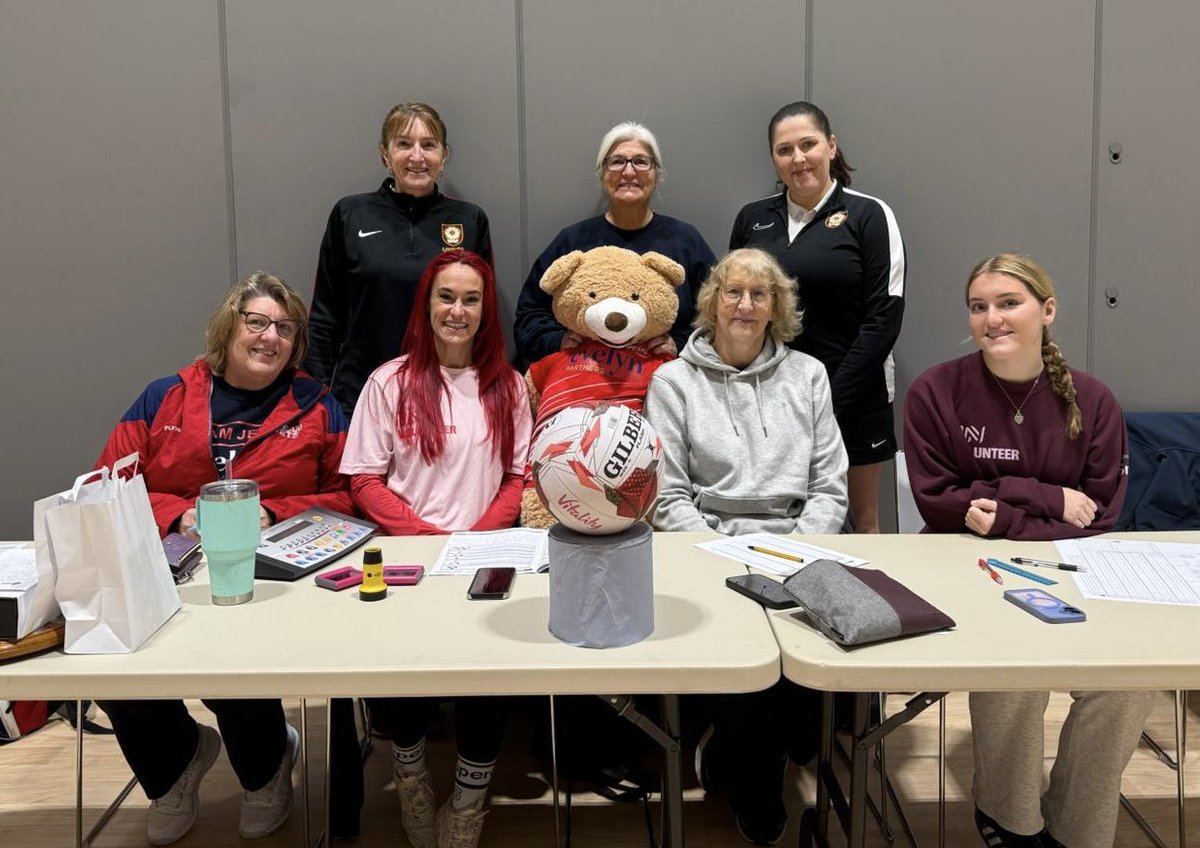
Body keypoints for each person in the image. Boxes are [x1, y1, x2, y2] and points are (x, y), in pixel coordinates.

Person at [903, 254, 1153, 848]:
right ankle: (1010, 820)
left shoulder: (1093, 401)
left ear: (1047, 310)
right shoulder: (935, 391)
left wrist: (1000, 513)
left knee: (1130, 682)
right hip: (969, 566)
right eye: (978, 306)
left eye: (1008, 303)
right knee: (1014, 672)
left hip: (1072, 568)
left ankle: (1078, 828)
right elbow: (938, 503)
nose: (991, 318)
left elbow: (1098, 517)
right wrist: (1040, 496)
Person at [96, 271, 353, 846]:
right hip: (168, 566)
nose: (270, 337)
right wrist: (178, 512)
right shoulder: (164, 395)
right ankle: (175, 765)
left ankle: (265, 772)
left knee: (237, 661)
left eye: (285, 328)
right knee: (115, 668)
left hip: (273, 573)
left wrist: (275, 511)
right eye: (256, 322)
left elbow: (349, 495)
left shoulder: (317, 404)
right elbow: (109, 485)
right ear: (228, 328)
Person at [645, 248, 848, 845]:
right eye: (733, 291)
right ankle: (757, 798)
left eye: (760, 294)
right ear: (712, 301)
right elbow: (667, 495)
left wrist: (798, 551)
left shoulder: (808, 375)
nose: (745, 304)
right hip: (710, 546)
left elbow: (830, 485)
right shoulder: (673, 382)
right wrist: (725, 554)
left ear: (776, 307)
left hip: (798, 544)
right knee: (748, 671)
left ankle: (756, 749)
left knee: (819, 680)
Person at [340, 250, 531, 848]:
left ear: (484, 311)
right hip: (407, 556)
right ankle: (412, 776)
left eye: (471, 300)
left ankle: (470, 798)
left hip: (482, 555)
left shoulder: (508, 385)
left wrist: (472, 542)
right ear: (426, 306)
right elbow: (365, 479)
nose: (457, 310)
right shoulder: (388, 382)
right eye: (446, 297)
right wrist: (427, 541)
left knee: (488, 678)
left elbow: (518, 478)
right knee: (394, 672)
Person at [730, 101, 905, 533]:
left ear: (830, 146)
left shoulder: (870, 215)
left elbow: (883, 317)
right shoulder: (753, 220)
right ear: (774, 158)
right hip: (771, 401)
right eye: (784, 149)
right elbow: (736, 308)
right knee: (778, 522)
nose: (798, 158)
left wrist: (829, 400)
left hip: (855, 396)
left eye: (808, 144)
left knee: (861, 525)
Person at [304, 102, 492, 418]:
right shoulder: (350, 216)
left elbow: (482, 316)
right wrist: (313, 400)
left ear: (444, 155)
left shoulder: (470, 221)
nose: (417, 156)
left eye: (428, 145)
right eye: (404, 144)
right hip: (360, 398)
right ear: (385, 154)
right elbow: (325, 317)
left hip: (444, 397)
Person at [513, 120, 715, 366]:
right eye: (617, 161)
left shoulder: (686, 241)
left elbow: (715, 315)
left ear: (656, 173)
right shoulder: (572, 241)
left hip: (665, 382)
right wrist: (558, 341)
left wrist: (680, 344)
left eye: (641, 161)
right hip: (584, 382)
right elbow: (529, 315)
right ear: (602, 173)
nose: (629, 172)